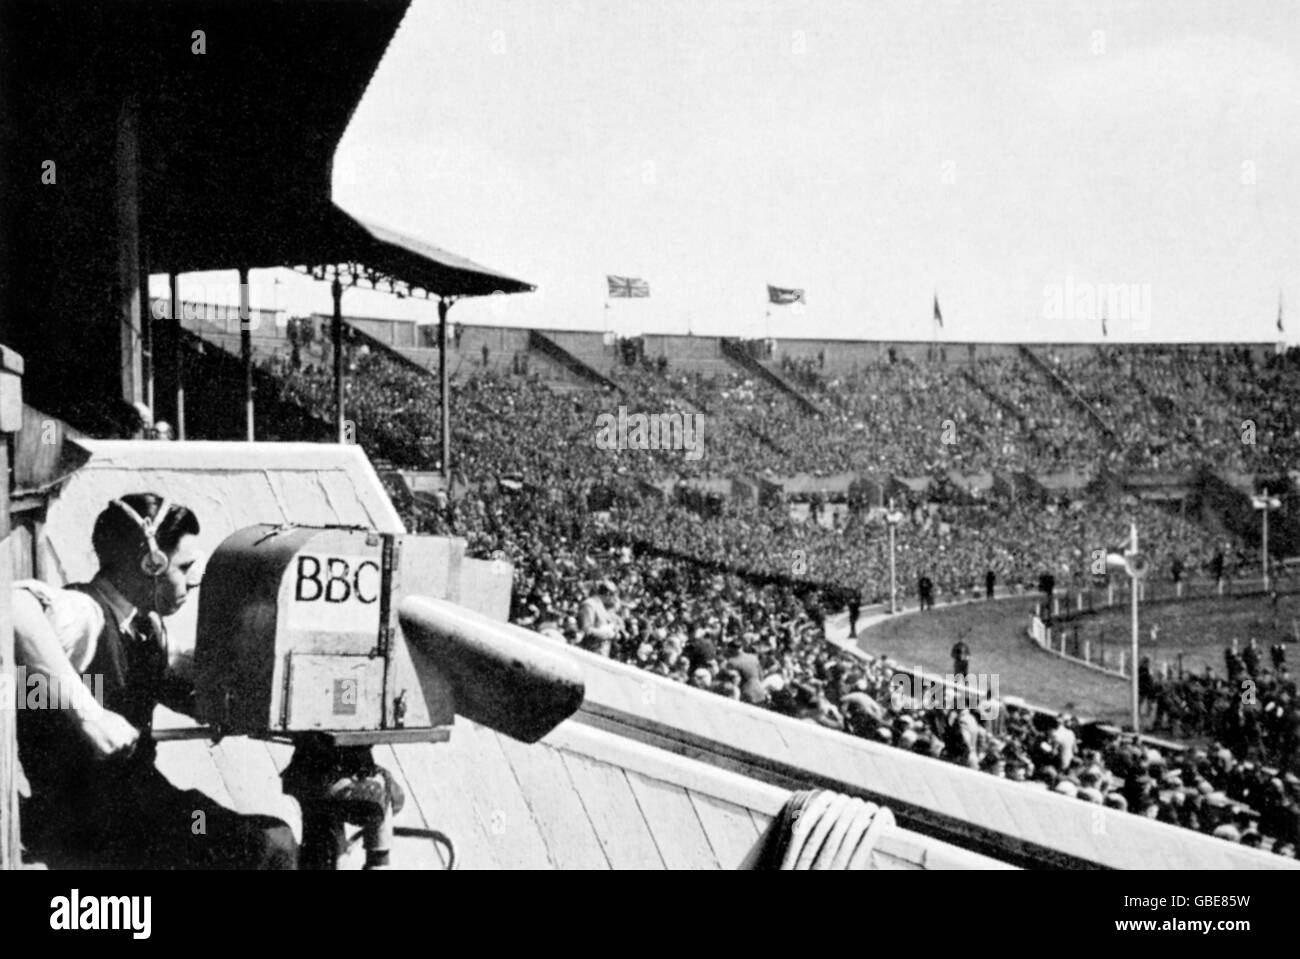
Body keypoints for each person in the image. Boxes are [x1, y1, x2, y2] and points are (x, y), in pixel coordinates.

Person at [13, 493, 298, 869]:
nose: (192, 581)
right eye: (183, 566)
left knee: (252, 832)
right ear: (151, 562)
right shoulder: (85, 613)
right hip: (89, 826)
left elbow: (181, 682)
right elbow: (12, 607)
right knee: (265, 844)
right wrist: (89, 714)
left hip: (140, 809)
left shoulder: (147, 630)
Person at [577, 580, 624, 656]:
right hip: (588, 652)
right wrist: (605, 633)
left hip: (600, 652)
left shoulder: (602, 607)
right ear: (608, 594)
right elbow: (585, 629)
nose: (615, 600)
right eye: (614, 596)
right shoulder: (590, 604)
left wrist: (614, 632)